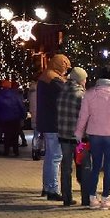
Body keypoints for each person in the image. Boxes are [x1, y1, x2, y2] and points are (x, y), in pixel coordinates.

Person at [75, 66, 110, 210]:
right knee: (109, 166)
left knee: (95, 166)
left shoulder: (90, 93)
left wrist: (78, 133)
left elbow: (83, 116)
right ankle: (105, 199)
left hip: (94, 134)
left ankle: (92, 198)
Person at [37, 54, 71, 201]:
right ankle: (52, 189)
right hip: (54, 123)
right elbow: (66, 95)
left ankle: (47, 187)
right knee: (55, 157)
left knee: (50, 156)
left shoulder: (46, 76)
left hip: (47, 122)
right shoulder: (54, 80)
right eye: (65, 67)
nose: (66, 70)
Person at [57, 66, 87, 206]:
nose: (85, 81)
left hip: (64, 136)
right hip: (79, 139)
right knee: (83, 165)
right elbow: (85, 116)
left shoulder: (62, 92)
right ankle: (86, 198)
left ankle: (66, 198)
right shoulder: (80, 95)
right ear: (80, 80)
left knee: (66, 167)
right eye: (84, 79)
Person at [0, 80, 26, 156]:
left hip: (4, 117)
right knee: (15, 134)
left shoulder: (0, 95)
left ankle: (6, 151)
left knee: (7, 134)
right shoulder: (15, 95)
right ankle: (16, 151)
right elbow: (21, 105)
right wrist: (23, 115)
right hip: (15, 117)